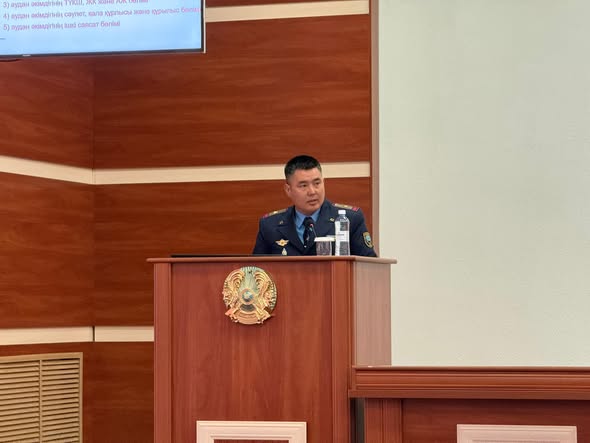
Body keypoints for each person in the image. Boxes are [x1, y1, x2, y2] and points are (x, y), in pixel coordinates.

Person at [252, 155, 377, 256]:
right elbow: (257, 271)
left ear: (324, 182)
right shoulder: (270, 225)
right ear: (288, 190)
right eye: (303, 185)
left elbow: (369, 267)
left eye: (317, 183)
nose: (312, 192)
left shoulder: (350, 219)